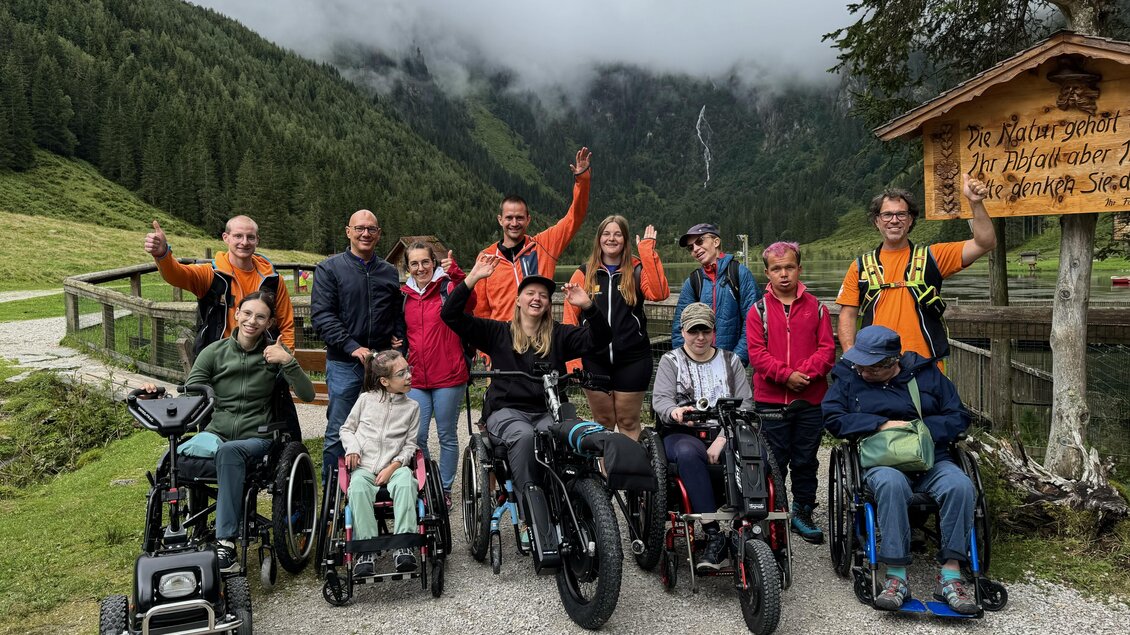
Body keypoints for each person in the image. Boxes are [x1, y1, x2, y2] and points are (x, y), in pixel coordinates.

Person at [145, 291, 315, 573]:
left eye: (261, 317)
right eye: (247, 314)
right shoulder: (214, 352)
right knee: (172, 456)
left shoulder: (273, 354)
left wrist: (287, 361)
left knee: (229, 451)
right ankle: (161, 540)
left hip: (257, 440)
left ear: (269, 322)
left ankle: (226, 544)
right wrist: (157, 397)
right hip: (215, 435)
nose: (252, 321)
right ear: (236, 314)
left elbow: (308, 395)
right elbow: (191, 392)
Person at [822, 325, 978, 615]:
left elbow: (959, 416)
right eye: (860, 364)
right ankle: (896, 576)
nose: (863, 371)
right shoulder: (849, 378)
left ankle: (951, 575)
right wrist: (879, 424)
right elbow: (832, 418)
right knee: (891, 485)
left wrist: (919, 431)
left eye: (871, 368)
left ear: (892, 362)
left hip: (932, 459)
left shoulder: (927, 376)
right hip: (883, 462)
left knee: (961, 485)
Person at [441, 253, 610, 516]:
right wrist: (472, 278)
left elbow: (600, 338)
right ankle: (529, 504)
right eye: (530, 293)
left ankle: (565, 500)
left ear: (547, 303)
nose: (537, 298)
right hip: (507, 412)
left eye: (543, 295)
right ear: (518, 300)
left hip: (546, 411)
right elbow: (450, 316)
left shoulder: (559, 334)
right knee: (524, 436)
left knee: (558, 437)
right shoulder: (497, 332)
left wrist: (589, 307)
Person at [836, 175, 997, 365]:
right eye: (887, 215)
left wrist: (975, 203)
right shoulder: (859, 267)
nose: (894, 220)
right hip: (875, 367)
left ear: (910, 220)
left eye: (901, 214)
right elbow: (848, 314)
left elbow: (985, 242)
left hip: (926, 366)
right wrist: (850, 354)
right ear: (877, 221)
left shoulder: (934, 257)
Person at [652, 303, 752, 572]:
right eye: (693, 331)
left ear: (713, 332)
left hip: (725, 430)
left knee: (756, 452)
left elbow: (745, 405)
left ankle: (749, 527)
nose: (700, 337)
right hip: (684, 432)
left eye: (705, 331)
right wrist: (675, 412)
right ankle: (713, 533)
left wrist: (724, 437)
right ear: (683, 331)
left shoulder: (731, 361)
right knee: (687, 453)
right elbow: (660, 401)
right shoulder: (670, 361)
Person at [746, 242, 835, 545]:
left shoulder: (818, 308)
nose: (783, 274)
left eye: (789, 267)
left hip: (810, 399)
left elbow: (827, 350)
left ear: (799, 269)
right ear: (767, 273)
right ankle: (776, 511)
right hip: (770, 400)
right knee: (774, 458)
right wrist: (786, 376)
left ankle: (803, 511)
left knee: (806, 459)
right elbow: (757, 355)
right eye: (776, 269)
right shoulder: (757, 311)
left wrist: (805, 375)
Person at [311, 210, 406, 476]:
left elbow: (396, 312)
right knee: (339, 429)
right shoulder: (329, 269)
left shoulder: (387, 271)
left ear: (379, 234)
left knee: (385, 426)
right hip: (344, 363)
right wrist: (352, 346)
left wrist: (398, 338)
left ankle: (376, 485)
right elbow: (322, 316)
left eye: (372, 229)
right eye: (360, 228)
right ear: (348, 231)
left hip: (381, 364)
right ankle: (334, 494)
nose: (366, 234)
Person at [563, 217, 669, 441]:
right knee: (602, 422)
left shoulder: (637, 270)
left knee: (628, 421)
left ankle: (630, 474)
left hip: (632, 359)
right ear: (599, 239)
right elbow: (570, 319)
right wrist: (572, 360)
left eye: (617, 234)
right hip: (594, 358)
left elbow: (659, 293)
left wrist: (647, 251)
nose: (611, 238)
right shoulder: (583, 273)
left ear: (625, 239)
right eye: (606, 234)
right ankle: (604, 475)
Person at [472, 147, 592, 322]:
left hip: (540, 343)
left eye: (520, 218)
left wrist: (582, 180)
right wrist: (484, 349)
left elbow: (575, 217)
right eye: (509, 218)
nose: (514, 223)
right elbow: (481, 310)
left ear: (528, 219)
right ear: (500, 220)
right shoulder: (486, 257)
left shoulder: (544, 245)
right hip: (502, 343)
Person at [144, 216, 295, 353]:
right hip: (218, 361)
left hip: (262, 363)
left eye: (250, 237)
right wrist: (162, 254)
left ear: (257, 240)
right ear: (226, 237)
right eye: (238, 236)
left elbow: (286, 325)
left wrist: (287, 362)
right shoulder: (210, 275)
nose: (244, 242)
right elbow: (177, 275)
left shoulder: (273, 280)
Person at [401, 244, 472, 509]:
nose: (420, 268)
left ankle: (443, 489)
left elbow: (471, 302)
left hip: (449, 375)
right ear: (408, 267)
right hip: (416, 377)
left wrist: (457, 276)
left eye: (425, 262)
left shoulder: (447, 288)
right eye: (414, 264)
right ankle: (426, 484)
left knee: (446, 435)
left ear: (434, 263)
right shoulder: (405, 296)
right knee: (417, 437)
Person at [341, 349, 420, 576]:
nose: (409, 376)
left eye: (409, 370)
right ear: (384, 381)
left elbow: (410, 446)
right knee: (357, 489)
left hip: (394, 467)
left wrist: (393, 467)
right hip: (365, 467)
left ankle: (403, 545)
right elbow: (347, 429)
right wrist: (353, 448)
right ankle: (366, 550)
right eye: (402, 373)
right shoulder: (366, 400)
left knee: (407, 482)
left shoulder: (412, 408)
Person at [671, 223, 761, 366]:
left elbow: (753, 322)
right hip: (698, 364)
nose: (695, 249)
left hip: (731, 362)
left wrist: (736, 360)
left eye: (700, 241)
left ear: (716, 242)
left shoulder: (739, 273)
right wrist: (685, 361)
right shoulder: (694, 281)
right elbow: (679, 326)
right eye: (691, 247)